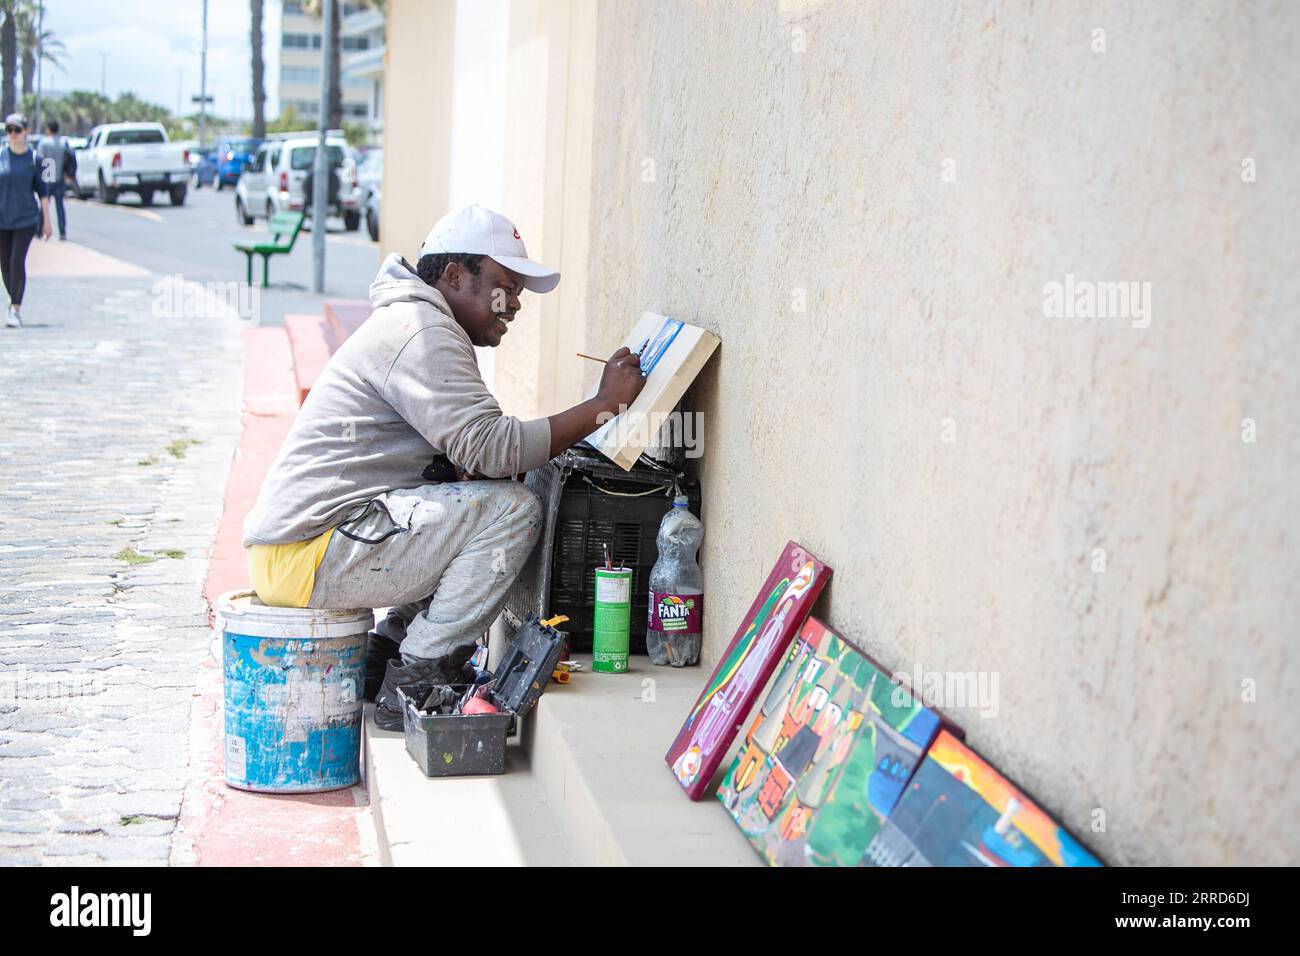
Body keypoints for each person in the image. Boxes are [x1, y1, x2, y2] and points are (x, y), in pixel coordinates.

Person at [242, 204, 646, 729]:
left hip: (302, 551)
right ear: (454, 275)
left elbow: (473, 455)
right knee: (513, 511)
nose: (515, 305)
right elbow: (493, 447)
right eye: (505, 286)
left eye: (519, 291)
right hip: (307, 554)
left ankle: (384, 655)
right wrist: (603, 405)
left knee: (473, 505)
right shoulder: (419, 330)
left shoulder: (421, 322)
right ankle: (416, 677)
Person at [0, 113, 51, 329]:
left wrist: (47, 221)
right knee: (4, 264)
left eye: (17, 130)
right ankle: (14, 297)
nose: (12, 134)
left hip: (26, 219)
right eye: (9, 130)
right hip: (2, 218)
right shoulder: (0, 156)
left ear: (26, 132)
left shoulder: (36, 160)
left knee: (16, 261)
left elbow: (44, 194)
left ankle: (15, 308)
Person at [36, 120, 72, 241]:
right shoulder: (64, 142)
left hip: (47, 178)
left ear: (48, 129)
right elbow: (70, 158)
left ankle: (38, 231)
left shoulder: (44, 143)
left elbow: (39, 160)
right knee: (60, 207)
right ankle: (62, 232)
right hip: (60, 178)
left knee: (44, 206)